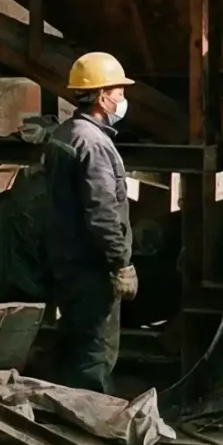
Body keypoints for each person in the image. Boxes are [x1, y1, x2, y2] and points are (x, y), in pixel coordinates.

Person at [46, 52, 139, 393]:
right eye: (118, 92)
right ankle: (91, 433)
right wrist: (121, 263)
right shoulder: (94, 144)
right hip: (91, 267)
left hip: (67, 261)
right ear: (101, 97)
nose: (122, 99)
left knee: (73, 345)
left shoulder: (65, 132)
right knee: (94, 355)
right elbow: (102, 213)